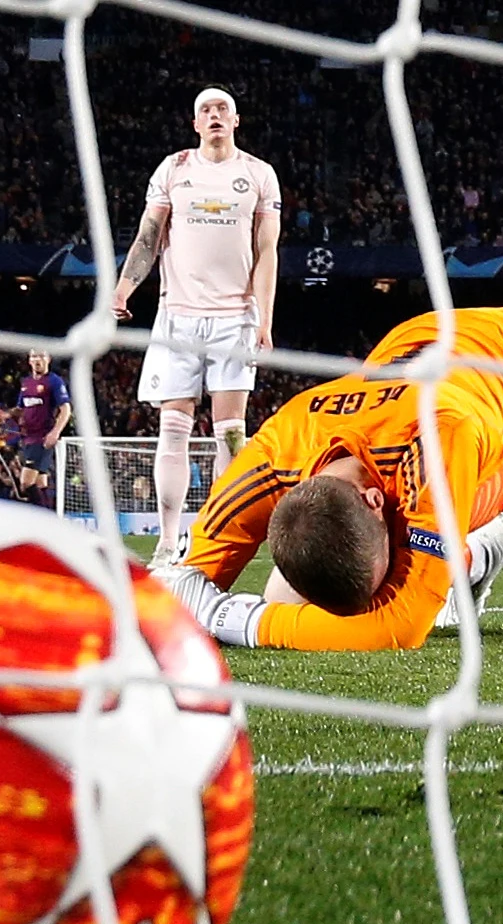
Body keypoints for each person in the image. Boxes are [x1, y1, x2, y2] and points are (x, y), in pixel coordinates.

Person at [157, 307, 503, 651]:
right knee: (303, 599)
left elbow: (399, 631)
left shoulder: (438, 441)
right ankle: (468, 558)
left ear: (379, 501)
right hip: (433, 364)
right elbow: (179, 594)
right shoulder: (269, 453)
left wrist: (227, 616)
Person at [111, 86, 281, 567]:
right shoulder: (174, 168)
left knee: (231, 433)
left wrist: (264, 319)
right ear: (194, 123)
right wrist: (124, 289)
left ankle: (213, 536)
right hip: (177, 317)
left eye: (222, 109)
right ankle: (167, 541)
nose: (214, 115)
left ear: (236, 120)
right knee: (173, 430)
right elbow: (148, 236)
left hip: (235, 317)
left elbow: (267, 251)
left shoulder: (258, 175)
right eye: (205, 110)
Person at [16, 350, 70, 508]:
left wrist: (55, 432)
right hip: (28, 437)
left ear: (48, 359)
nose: (37, 360)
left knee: (25, 483)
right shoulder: (26, 383)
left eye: (41, 356)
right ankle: (48, 519)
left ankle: (42, 520)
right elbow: (20, 409)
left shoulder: (55, 381)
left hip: (42, 439)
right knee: (40, 483)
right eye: (34, 356)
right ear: (29, 360)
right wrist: (4, 416)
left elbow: (66, 408)